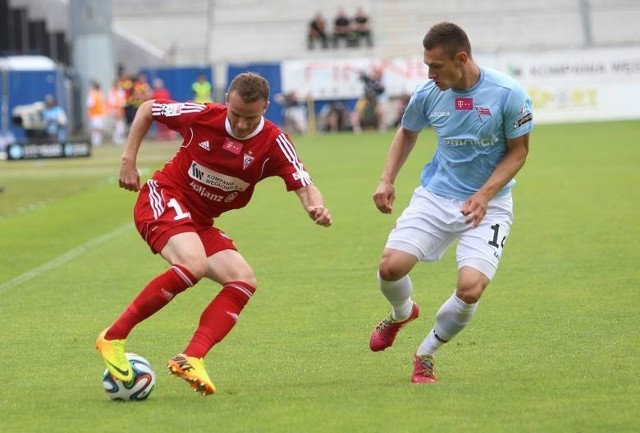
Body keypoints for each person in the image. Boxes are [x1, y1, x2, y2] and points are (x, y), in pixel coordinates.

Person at [96, 72, 332, 396]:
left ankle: (191, 357)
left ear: (265, 108)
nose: (242, 124)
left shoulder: (275, 143)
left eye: (251, 117)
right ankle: (113, 337)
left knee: (243, 280)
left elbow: (305, 184)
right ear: (226, 102)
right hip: (163, 197)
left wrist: (315, 207)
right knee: (193, 265)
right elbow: (148, 108)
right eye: (235, 114)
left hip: (199, 222)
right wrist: (128, 161)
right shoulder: (203, 116)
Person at [369, 22, 533, 384]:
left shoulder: (508, 94)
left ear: (461, 58)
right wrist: (386, 179)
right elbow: (407, 132)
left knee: (470, 288)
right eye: (426, 65)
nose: (429, 74)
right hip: (437, 196)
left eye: (436, 66)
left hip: (489, 204)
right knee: (390, 268)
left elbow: (518, 153)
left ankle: (425, 353)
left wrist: (485, 193)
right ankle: (401, 313)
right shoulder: (429, 93)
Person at [87, 80, 107, 147]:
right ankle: (95, 141)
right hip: (95, 114)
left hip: (100, 114)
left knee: (99, 128)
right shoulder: (92, 94)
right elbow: (90, 104)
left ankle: (98, 141)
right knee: (96, 128)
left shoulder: (99, 93)